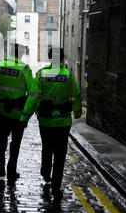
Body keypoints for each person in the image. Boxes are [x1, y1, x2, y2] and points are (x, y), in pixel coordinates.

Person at [20, 47, 82, 200]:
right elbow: (77, 96)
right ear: (62, 58)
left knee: (46, 147)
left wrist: (24, 118)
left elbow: (33, 98)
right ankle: (56, 187)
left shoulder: (41, 75)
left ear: (49, 57)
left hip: (46, 121)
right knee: (60, 155)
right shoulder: (68, 75)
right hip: (63, 122)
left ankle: (46, 172)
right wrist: (78, 112)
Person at [0, 43, 33, 184]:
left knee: (1, 138)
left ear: (11, 52)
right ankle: (11, 170)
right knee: (15, 142)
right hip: (18, 115)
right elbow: (32, 94)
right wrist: (27, 114)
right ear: (21, 54)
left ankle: (0, 164)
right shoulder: (24, 69)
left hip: (2, 111)